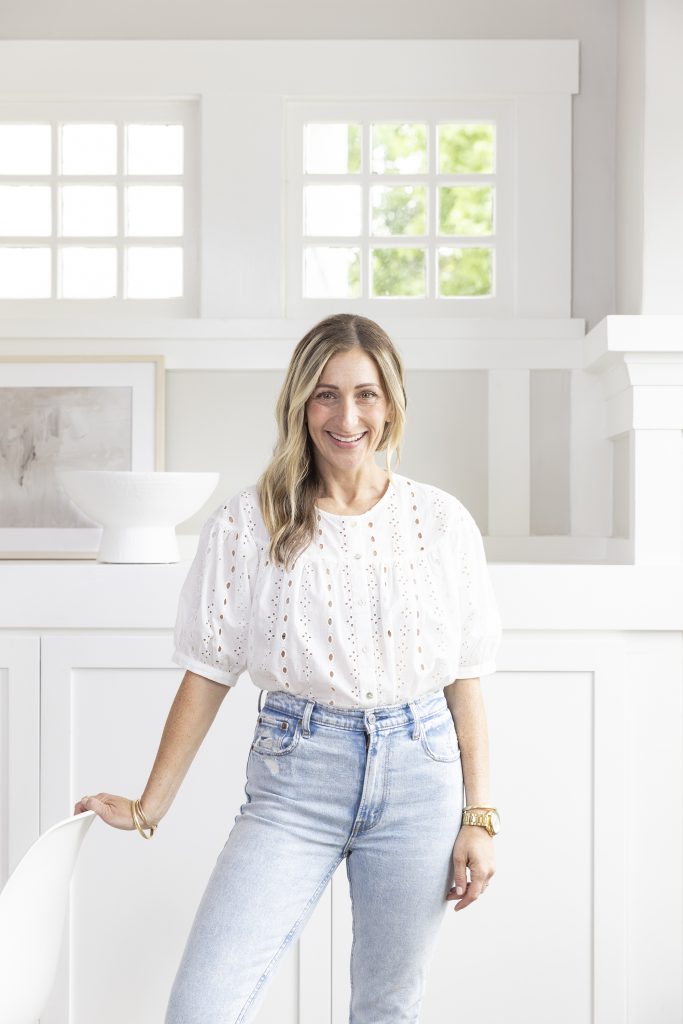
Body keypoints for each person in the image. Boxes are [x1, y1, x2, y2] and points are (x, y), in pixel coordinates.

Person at [74, 313, 503, 1024]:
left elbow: (465, 676)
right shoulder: (250, 523)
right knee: (202, 1007)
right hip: (296, 778)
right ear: (299, 404)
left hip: (420, 774)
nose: (346, 415)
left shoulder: (440, 521)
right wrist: (151, 805)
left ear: (390, 404)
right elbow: (208, 671)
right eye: (325, 394)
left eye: (365, 394)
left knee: (387, 1006)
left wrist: (479, 817)